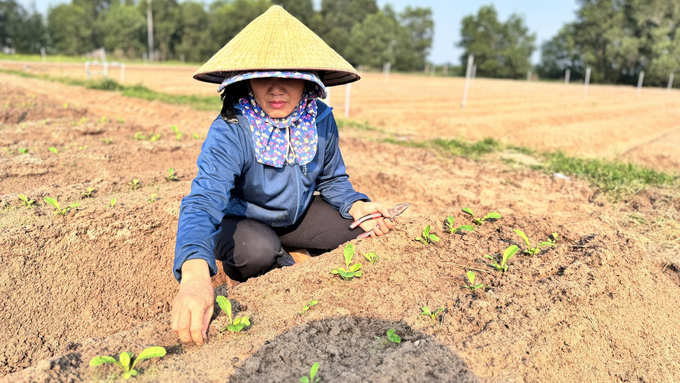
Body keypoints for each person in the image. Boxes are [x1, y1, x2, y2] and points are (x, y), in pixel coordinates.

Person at [170, 5, 396, 345]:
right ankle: (261, 267)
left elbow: (333, 180)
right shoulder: (232, 128)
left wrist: (355, 204)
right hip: (241, 222)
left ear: (308, 82)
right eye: (265, 78)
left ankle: (289, 254)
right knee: (257, 250)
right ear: (245, 81)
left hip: (297, 216)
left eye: (289, 77)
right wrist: (194, 277)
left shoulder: (319, 118)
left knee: (366, 231)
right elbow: (203, 200)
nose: (277, 90)